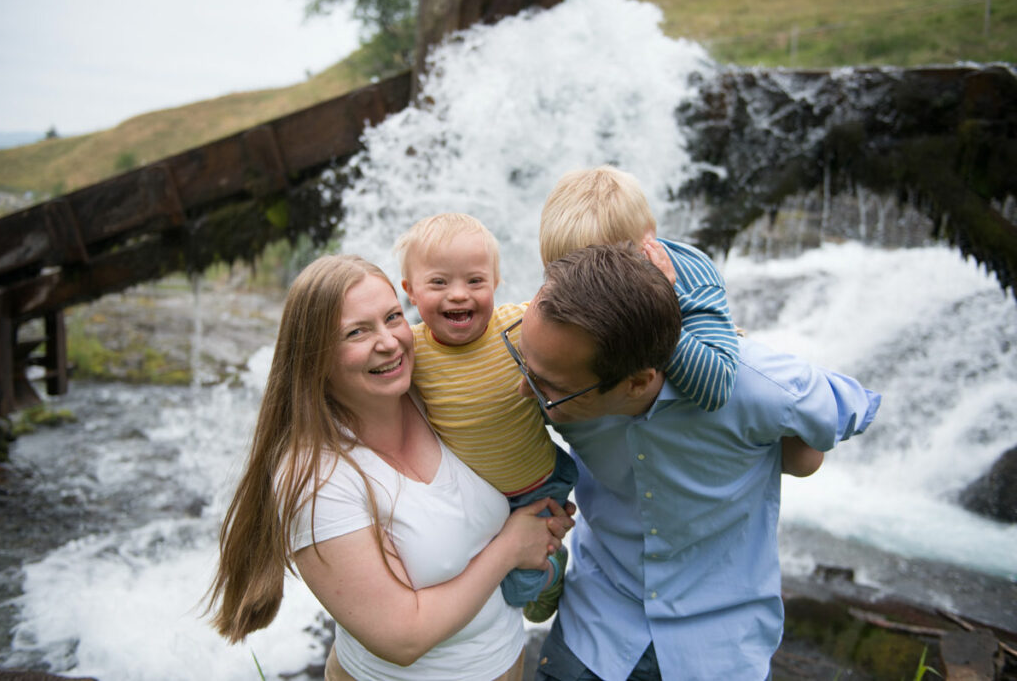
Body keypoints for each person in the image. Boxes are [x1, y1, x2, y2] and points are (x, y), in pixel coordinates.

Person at [505, 244, 881, 680]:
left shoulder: (754, 385)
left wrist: (793, 448)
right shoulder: (553, 366)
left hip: (716, 651)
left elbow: (846, 409)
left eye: (550, 387)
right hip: (594, 633)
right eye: (525, 365)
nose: (524, 391)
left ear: (637, 383)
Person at [206, 254, 572, 681]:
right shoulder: (315, 477)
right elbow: (403, 638)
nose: (389, 342)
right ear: (314, 358)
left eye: (393, 317)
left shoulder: (432, 390)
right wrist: (511, 547)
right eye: (357, 332)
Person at [540, 164, 824, 476]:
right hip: (627, 452)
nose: (581, 294)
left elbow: (716, 388)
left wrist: (660, 312)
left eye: (601, 281)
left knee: (804, 459)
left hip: (707, 442)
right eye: (565, 277)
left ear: (647, 246)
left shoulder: (694, 277)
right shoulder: (567, 268)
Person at [393, 213, 577, 622]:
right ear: (410, 291)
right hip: (476, 497)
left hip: (538, 484)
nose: (458, 295)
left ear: (495, 283)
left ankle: (554, 573)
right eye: (439, 283)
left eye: (475, 281)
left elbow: (581, 313)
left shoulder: (518, 326)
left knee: (520, 595)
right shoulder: (411, 351)